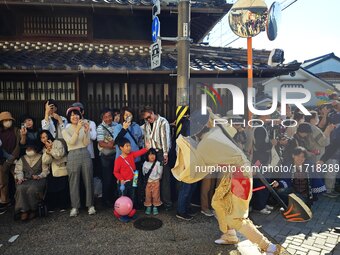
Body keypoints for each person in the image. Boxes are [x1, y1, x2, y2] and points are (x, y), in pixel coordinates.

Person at [172, 109, 286, 255]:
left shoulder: (205, 144)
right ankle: (229, 235)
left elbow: (194, 172)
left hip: (239, 176)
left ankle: (268, 247)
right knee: (218, 203)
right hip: (234, 174)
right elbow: (230, 129)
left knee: (236, 218)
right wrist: (211, 115)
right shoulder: (217, 131)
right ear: (208, 122)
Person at [62, 107, 95, 217]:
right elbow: (71, 142)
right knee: (73, 182)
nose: (74, 117)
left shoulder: (83, 127)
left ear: (80, 116)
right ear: (69, 118)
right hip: (72, 154)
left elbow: (86, 143)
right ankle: (75, 206)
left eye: (76, 114)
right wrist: (78, 129)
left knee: (88, 179)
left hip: (85, 153)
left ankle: (90, 205)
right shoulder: (65, 130)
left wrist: (86, 132)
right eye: (72, 115)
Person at [141, 106, 172, 210]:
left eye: (149, 117)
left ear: (153, 112)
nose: (149, 120)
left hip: (161, 152)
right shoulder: (146, 125)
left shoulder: (163, 122)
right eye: (146, 118)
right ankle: (154, 202)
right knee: (151, 178)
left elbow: (166, 138)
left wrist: (166, 154)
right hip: (150, 152)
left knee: (164, 178)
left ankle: (167, 203)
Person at [114, 107, 143, 207]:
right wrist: (124, 129)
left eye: (130, 115)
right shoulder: (118, 127)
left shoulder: (136, 126)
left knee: (135, 182)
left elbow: (140, 140)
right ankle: (123, 204)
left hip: (136, 160)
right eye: (126, 115)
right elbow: (116, 141)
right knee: (124, 183)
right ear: (122, 116)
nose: (128, 117)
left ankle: (135, 202)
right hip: (123, 162)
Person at [14, 141, 49, 221]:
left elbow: (45, 171)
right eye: (27, 148)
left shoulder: (41, 157)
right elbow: (18, 170)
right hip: (26, 179)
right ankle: (24, 210)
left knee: (32, 189)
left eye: (30, 148)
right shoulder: (22, 159)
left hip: (39, 180)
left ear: (35, 149)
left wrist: (39, 176)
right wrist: (20, 178)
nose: (28, 149)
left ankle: (33, 209)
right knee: (20, 188)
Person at [113, 138, 150, 214]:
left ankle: (130, 210)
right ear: (121, 148)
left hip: (133, 179)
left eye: (129, 145)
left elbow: (139, 153)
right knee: (123, 196)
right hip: (123, 183)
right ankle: (122, 212)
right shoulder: (118, 160)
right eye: (127, 146)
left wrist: (146, 148)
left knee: (133, 195)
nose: (129, 148)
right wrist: (121, 179)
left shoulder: (131, 154)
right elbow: (115, 172)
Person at [40, 130, 70, 212]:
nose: (45, 139)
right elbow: (46, 161)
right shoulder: (44, 148)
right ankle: (53, 206)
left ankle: (63, 205)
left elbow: (59, 155)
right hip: (51, 170)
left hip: (60, 168)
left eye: (46, 136)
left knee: (62, 188)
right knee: (52, 189)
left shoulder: (57, 142)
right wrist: (48, 150)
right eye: (42, 138)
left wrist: (51, 149)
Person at [96, 108, 117, 207]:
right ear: (102, 118)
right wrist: (113, 145)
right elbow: (101, 143)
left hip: (116, 155)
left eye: (109, 116)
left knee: (115, 178)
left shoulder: (117, 125)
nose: (108, 118)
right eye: (105, 117)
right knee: (107, 178)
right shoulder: (100, 128)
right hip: (106, 156)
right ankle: (106, 200)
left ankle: (114, 198)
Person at [0, 111, 20, 212]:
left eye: (9, 120)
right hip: (2, 160)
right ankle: (4, 201)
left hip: (14, 159)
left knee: (18, 179)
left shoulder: (16, 130)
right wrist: (6, 160)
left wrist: (11, 159)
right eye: (5, 120)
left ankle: (19, 200)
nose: (8, 122)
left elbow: (18, 145)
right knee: (2, 182)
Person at [142, 148, 163, 215]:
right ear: (147, 156)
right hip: (148, 182)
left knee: (155, 195)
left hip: (156, 182)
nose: (152, 156)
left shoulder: (157, 163)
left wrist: (158, 178)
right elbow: (143, 172)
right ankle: (148, 206)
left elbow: (160, 172)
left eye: (153, 154)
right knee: (148, 195)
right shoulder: (145, 163)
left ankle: (155, 206)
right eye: (150, 154)